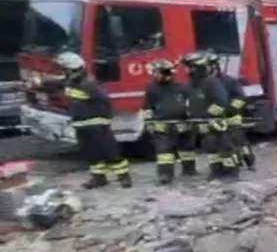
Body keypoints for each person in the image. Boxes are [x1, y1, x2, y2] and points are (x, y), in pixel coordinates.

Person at [56, 52, 132, 189]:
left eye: (65, 69)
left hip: (96, 123)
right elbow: (58, 85)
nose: (64, 72)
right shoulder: (70, 83)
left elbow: (105, 101)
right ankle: (98, 178)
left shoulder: (89, 84)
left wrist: (106, 119)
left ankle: (123, 177)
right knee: (91, 154)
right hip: (80, 124)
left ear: (72, 69)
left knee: (110, 152)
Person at [179, 52, 239, 181]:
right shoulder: (192, 83)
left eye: (188, 67)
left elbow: (222, 102)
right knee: (210, 148)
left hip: (215, 121)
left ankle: (231, 173)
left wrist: (210, 116)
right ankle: (216, 171)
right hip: (202, 123)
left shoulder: (211, 82)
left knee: (224, 147)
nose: (186, 70)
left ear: (196, 67)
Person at [143, 59, 195, 184]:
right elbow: (148, 107)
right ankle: (165, 175)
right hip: (162, 123)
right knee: (164, 151)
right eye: (154, 72)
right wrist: (149, 122)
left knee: (186, 148)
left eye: (157, 72)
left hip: (181, 122)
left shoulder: (183, 87)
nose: (155, 75)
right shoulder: (152, 88)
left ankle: (189, 170)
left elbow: (191, 103)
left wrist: (191, 118)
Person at [210, 58, 256, 171]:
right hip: (216, 119)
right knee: (222, 145)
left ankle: (249, 161)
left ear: (216, 68)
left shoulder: (230, 81)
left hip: (232, 118)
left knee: (239, 142)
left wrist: (230, 109)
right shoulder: (208, 83)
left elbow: (241, 98)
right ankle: (230, 165)